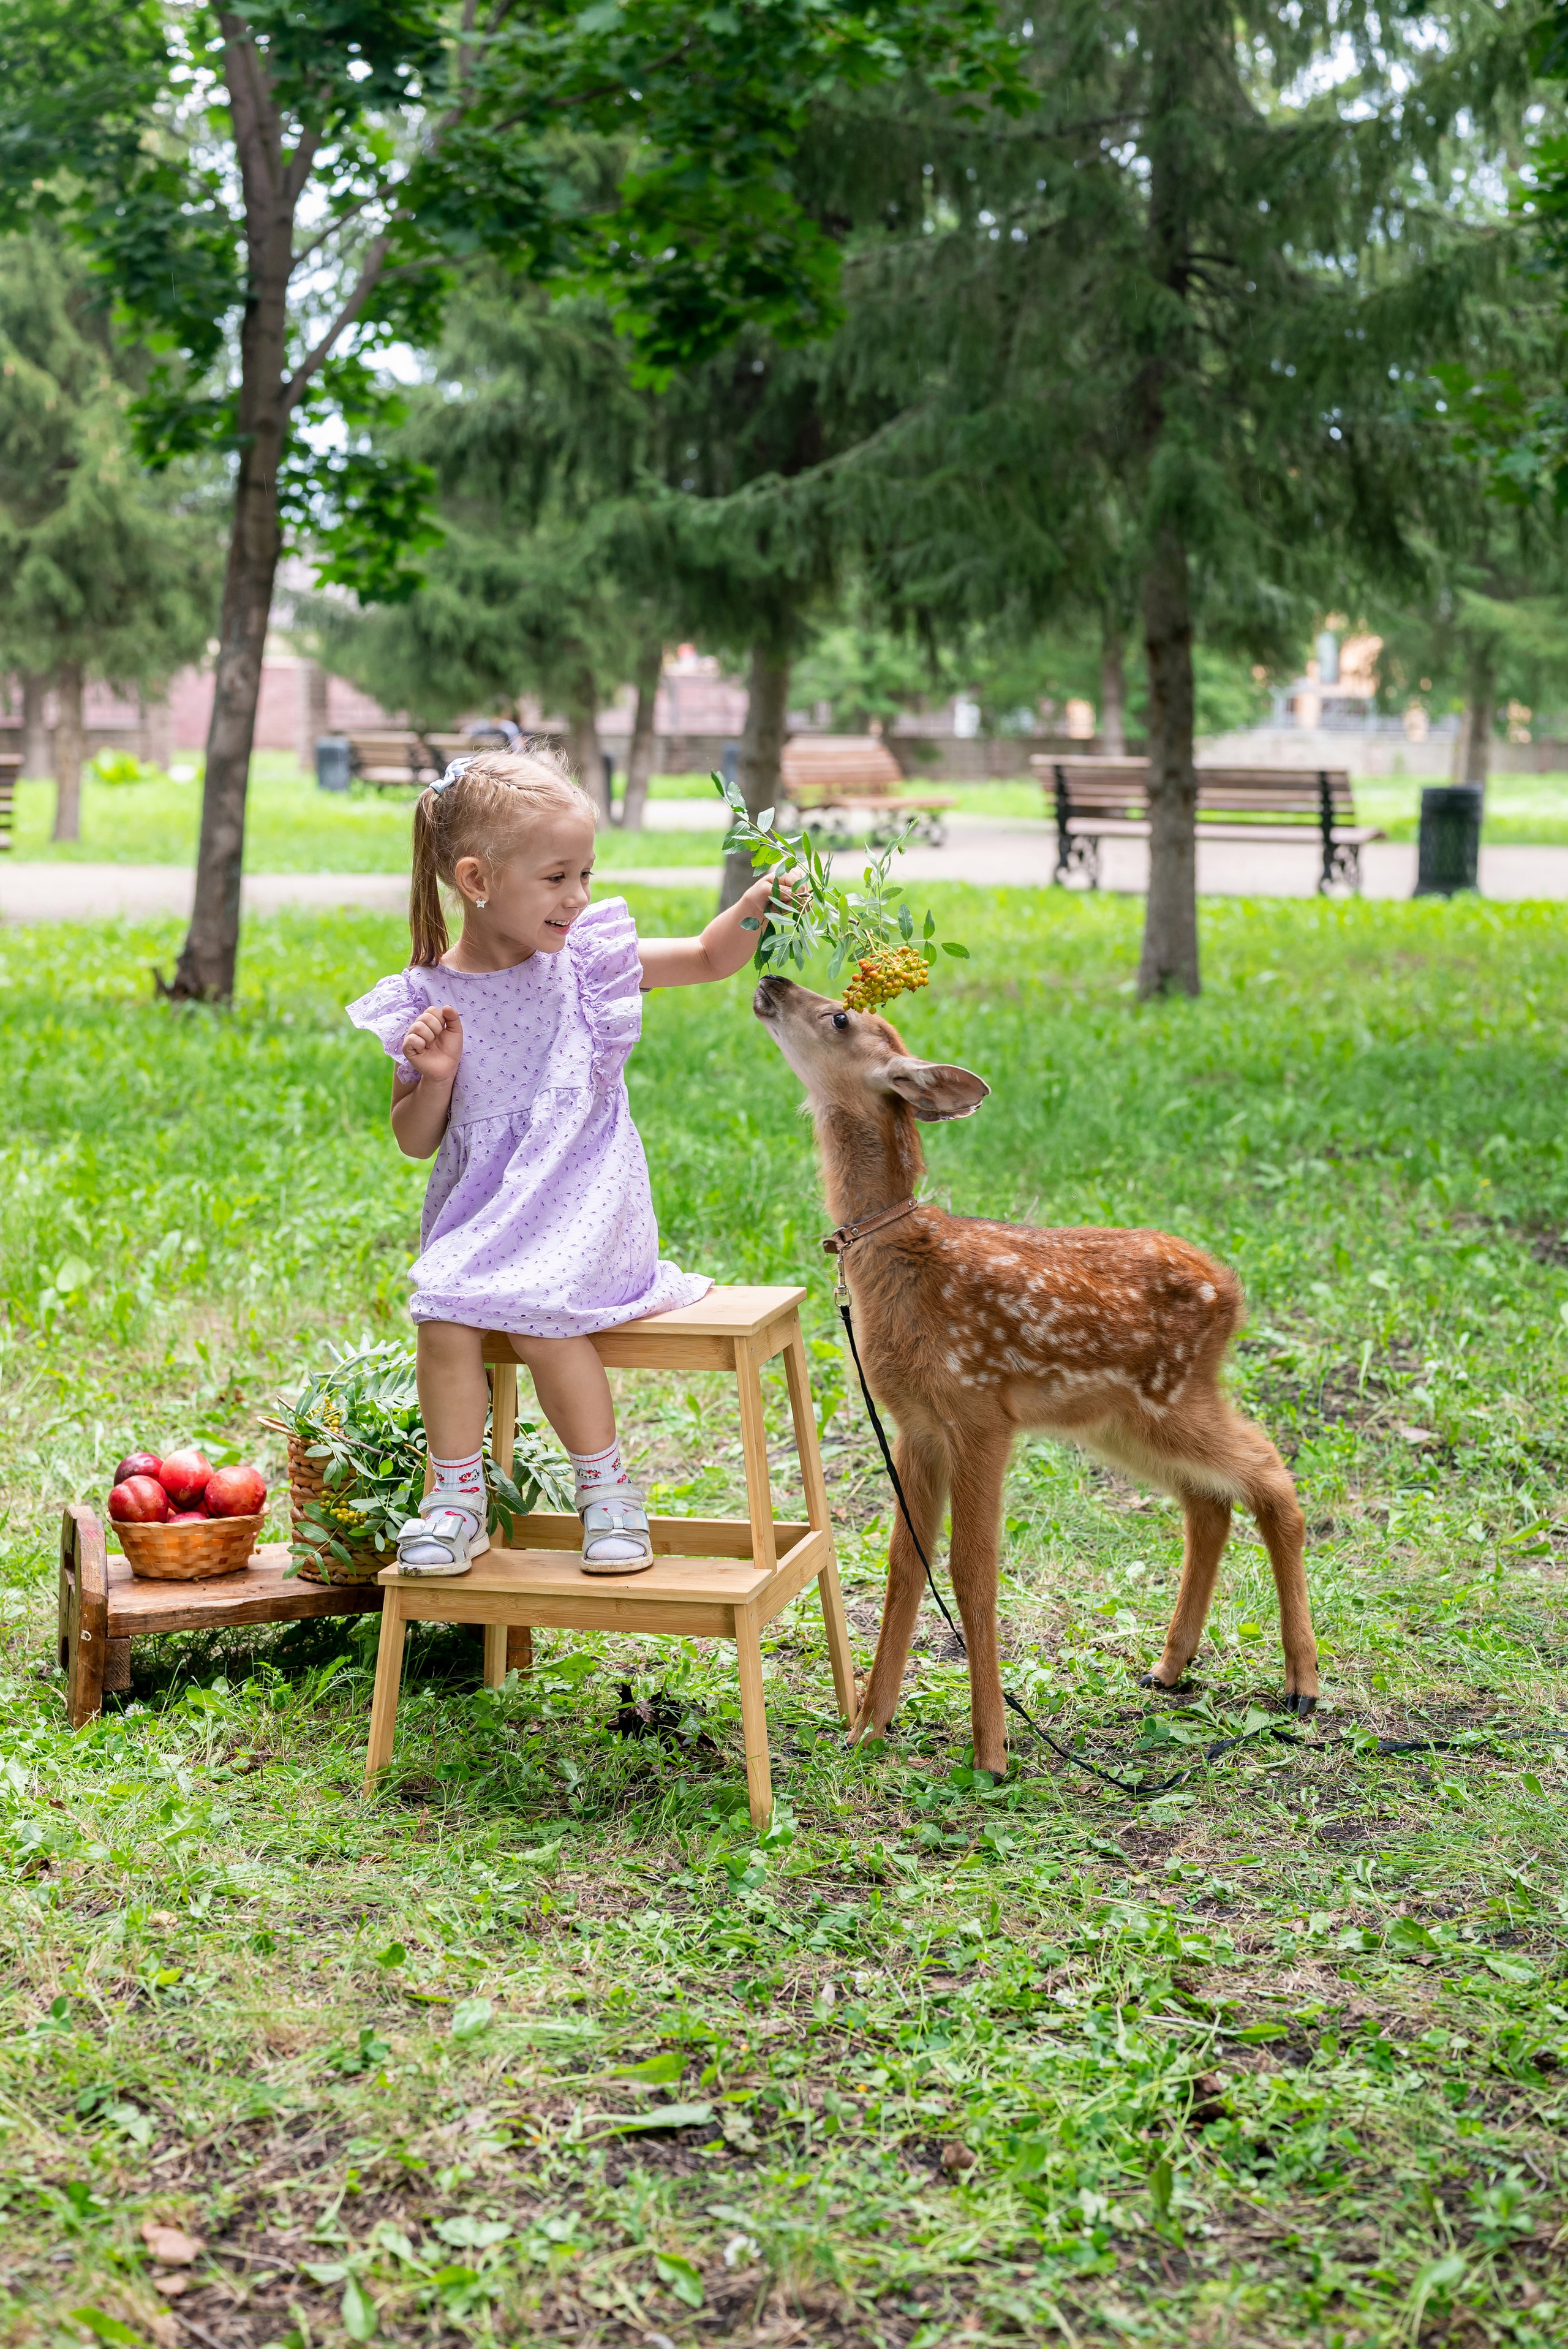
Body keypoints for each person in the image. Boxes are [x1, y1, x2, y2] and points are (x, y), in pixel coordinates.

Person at [345, 745, 778, 1577]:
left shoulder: (587, 965)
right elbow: (414, 1138)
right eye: (557, 878)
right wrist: (431, 1078)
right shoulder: (432, 997)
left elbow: (709, 958)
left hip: (589, 1200)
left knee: (543, 1316)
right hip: (486, 1213)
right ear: (477, 880)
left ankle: (608, 1493)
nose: (579, 896)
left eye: (585, 872)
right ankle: (455, 1497)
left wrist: (756, 910)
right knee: (442, 1311)